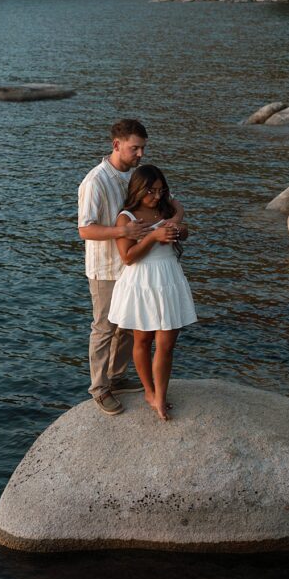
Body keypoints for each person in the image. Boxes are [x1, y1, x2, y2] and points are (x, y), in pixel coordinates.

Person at [78, 121, 184, 416]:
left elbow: (170, 204)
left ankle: (117, 377)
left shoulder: (135, 177)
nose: (141, 154)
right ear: (116, 145)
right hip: (107, 267)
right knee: (104, 328)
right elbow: (84, 230)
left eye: (143, 148)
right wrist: (125, 231)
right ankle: (99, 389)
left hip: (138, 268)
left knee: (127, 327)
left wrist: (174, 221)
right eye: (135, 148)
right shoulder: (95, 181)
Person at [109, 165, 196, 421]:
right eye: (151, 191)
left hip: (169, 277)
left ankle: (161, 395)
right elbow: (127, 258)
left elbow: (181, 222)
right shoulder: (126, 217)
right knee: (143, 340)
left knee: (166, 344)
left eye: (161, 190)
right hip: (142, 281)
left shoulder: (165, 207)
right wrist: (152, 237)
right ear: (138, 189)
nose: (157, 196)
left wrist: (180, 230)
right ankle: (150, 391)